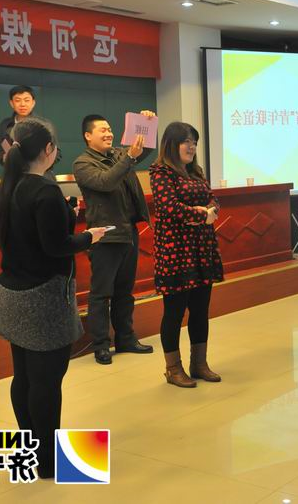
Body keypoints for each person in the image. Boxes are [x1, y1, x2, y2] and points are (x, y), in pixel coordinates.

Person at [0, 117, 107, 478]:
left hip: (11, 293)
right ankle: (47, 462)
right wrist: (89, 236)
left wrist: (64, 217)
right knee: (46, 382)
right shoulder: (45, 191)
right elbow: (56, 246)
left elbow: (32, 236)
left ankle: (29, 450)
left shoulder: (8, 187)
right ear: (47, 150)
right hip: (42, 298)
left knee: (24, 377)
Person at [73, 111, 156, 365]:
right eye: (103, 130)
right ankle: (101, 344)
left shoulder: (119, 154)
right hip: (105, 236)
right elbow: (106, 182)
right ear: (88, 136)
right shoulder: (82, 163)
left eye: (110, 129)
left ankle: (126, 338)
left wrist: (147, 123)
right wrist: (129, 157)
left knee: (125, 292)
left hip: (128, 231)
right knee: (101, 294)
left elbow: (146, 148)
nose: (109, 133)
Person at [150, 122, 224, 388]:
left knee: (200, 310)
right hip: (176, 252)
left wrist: (210, 209)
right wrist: (202, 214)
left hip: (201, 249)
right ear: (172, 144)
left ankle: (199, 364)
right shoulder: (160, 172)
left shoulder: (195, 171)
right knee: (174, 312)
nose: (192, 147)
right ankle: (173, 369)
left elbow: (214, 199)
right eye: (186, 142)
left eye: (194, 142)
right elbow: (169, 207)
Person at [0, 86, 37, 165]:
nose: (22, 104)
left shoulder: (44, 124)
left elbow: (56, 154)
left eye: (26, 100)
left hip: (38, 171)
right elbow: (0, 151)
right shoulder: (5, 125)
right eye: (18, 100)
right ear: (12, 103)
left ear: (33, 103)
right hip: (13, 170)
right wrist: (5, 158)